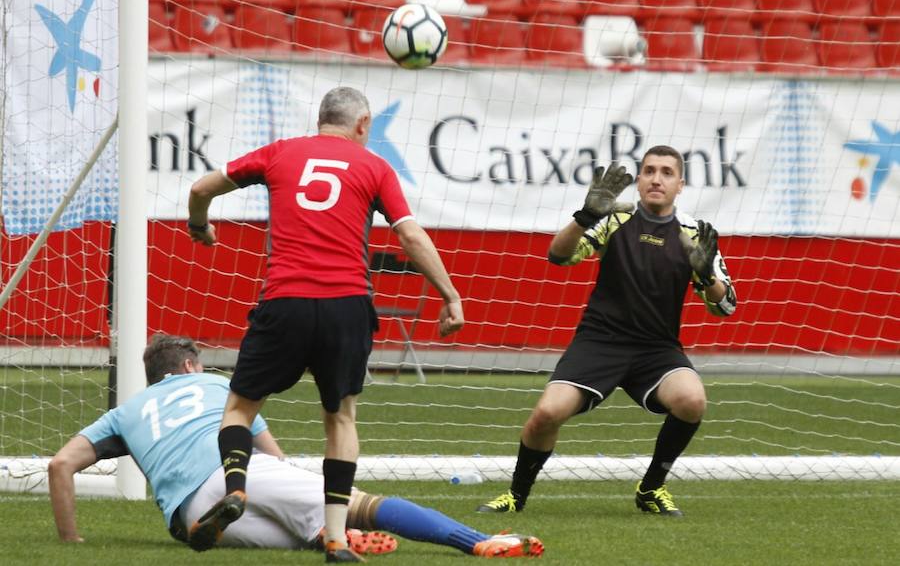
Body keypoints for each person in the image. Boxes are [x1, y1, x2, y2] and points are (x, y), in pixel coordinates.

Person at [185, 87, 464, 560]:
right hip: (347, 305)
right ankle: (335, 536)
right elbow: (410, 234)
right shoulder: (375, 167)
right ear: (362, 124)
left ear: (321, 120)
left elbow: (199, 189)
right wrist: (450, 295)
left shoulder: (281, 153)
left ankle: (236, 488)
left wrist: (199, 225)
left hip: (285, 300)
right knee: (340, 417)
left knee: (239, 409)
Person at [49, 334, 543, 559]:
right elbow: (271, 456)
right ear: (190, 368)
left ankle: (212, 530)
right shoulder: (218, 385)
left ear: (153, 377)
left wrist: (71, 541)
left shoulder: (127, 412)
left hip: (184, 513)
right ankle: (476, 541)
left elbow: (60, 465)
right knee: (355, 505)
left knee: (307, 537)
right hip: (236, 476)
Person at [477, 146, 737, 517]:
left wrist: (707, 276)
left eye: (666, 172)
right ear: (639, 179)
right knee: (546, 414)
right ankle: (516, 495)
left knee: (692, 400)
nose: (656, 179)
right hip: (599, 342)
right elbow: (559, 255)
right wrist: (585, 217)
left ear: (680, 184)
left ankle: (651, 489)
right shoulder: (616, 218)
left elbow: (725, 306)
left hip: (656, 349)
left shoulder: (695, 233)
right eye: (648, 171)